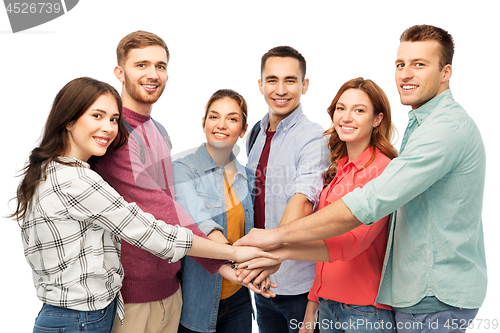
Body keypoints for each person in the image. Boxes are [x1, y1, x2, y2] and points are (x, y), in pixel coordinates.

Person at [236, 25, 487, 333]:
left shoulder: (438, 132)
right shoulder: (342, 165)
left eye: (419, 64)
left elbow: (360, 222)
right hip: (360, 299)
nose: (406, 73)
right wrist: (314, 299)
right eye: (400, 64)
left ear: (446, 71)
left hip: (415, 298)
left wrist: (277, 241)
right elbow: (329, 246)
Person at [10, 77, 276, 333]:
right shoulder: (76, 180)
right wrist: (231, 253)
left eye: (114, 119)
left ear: (243, 129)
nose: (109, 128)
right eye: (97, 116)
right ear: (68, 120)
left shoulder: (62, 171)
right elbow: (151, 230)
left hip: (82, 312)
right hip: (81, 317)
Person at [93, 31, 264, 333]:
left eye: (160, 66)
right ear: (119, 72)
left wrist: (226, 265)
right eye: (141, 65)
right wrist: (230, 256)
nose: (152, 74)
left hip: (171, 290)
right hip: (132, 296)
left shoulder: (158, 130)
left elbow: (171, 208)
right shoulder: (115, 133)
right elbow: (161, 209)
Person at [239, 78, 398, 333]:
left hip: (365, 312)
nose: (347, 117)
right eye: (341, 108)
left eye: (359, 110)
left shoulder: (383, 170)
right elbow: (324, 250)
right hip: (327, 306)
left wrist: (279, 251)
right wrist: (313, 305)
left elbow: (349, 244)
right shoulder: (338, 168)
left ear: (377, 119)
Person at [173, 89, 276, 333]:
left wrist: (259, 269)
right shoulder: (182, 170)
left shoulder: (248, 177)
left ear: (243, 129)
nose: (221, 125)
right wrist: (241, 264)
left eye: (231, 118)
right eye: (213, 117)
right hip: (198, 299)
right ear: (203, 123)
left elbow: (253, 233)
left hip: (239, 299)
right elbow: (201, 225)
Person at [245, 45, 329, 333]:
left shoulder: (313, 137)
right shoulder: (255, 133)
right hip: (261, 283)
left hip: (299, 287)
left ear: (304, 85)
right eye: (272, 80)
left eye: (290, 80)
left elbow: (304, 199)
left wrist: (270, 258)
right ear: (260, 85)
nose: (280, 90)